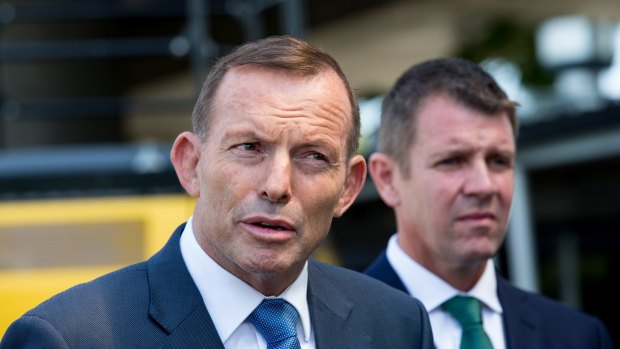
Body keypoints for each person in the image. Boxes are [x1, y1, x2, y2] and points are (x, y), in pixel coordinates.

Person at [1, 36, 434, 349]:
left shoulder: (398, 325)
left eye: (313, 156)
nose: (277, 185)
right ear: (190, 164)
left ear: (349, 188)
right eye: (249, 148)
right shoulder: (69, 338)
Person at [364, 57, 613, 349]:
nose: (484, 186)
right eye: (452, 161)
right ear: (387, 179)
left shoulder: (578, 337)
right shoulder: (329, 334)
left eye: (499, 161)